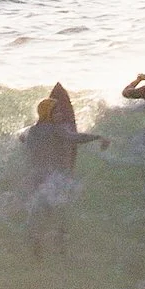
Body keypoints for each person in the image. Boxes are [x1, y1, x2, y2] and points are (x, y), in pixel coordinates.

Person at [19, 98, 105, 258]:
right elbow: (74, 138)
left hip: (35, 179)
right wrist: (98, 137)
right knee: (59, 215)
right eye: (56, 111)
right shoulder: (56, 130)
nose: (60, 114)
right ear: (48, 113)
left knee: (39, 215)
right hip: (54, 180)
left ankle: (37, 250)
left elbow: (21, 136)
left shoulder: (31, 130)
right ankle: (60, 249)